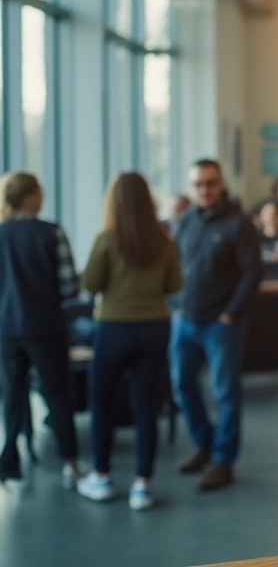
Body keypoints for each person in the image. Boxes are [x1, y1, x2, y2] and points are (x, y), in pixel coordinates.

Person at [76, 173, 183, 510]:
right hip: (154, 327)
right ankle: (142, 486)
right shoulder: (164, 241)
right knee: (146, 406)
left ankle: (102, 476)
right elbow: (175, 285)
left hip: (114, 328)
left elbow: (90, 283)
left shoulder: (106, 239)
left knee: (101, 401)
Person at [170, 159, 262, 491]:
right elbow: (174, 266)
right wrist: (174, 306)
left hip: (221, 324)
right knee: (182, 385)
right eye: (197, 185)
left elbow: (253, 273)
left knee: (225, 393)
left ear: (221, 183)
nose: (204, 190)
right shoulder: (184, 222)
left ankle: (223, 460)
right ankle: (205, 443)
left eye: (210, 183)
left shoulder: (239, 225)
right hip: (185, 320)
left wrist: (231, 314)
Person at [0, 172, 83, 486]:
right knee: (59, 395)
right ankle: (70, 462)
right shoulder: (51, 232)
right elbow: (69, 286)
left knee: (12, 394)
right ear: (31, 196)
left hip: (7, 328)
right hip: (44, 326)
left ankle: (10, 460)